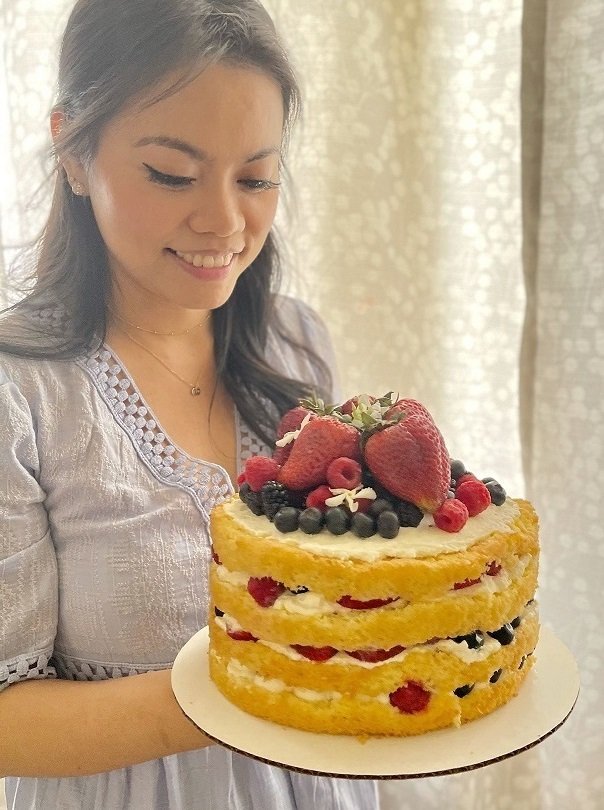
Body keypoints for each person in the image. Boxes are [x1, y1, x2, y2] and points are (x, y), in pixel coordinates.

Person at [0, 1, 380, 807]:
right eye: (170, 174)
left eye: (256, 177)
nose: (224, 222)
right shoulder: (19, 391)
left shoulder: (294, 345)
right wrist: (254, 682)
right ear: (74, 149)